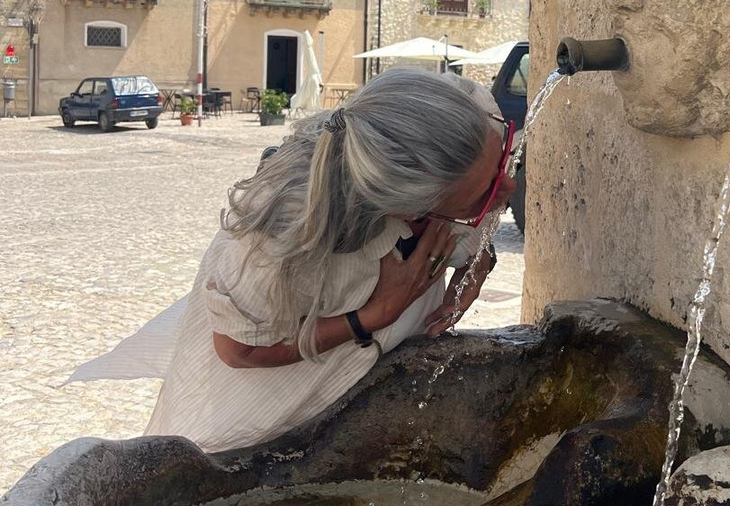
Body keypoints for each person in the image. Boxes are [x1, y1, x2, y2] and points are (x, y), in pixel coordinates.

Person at [69, 70, 516, 452]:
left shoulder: (462, 114)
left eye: (502, 158)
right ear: (406, 205)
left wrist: (477, 260)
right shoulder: (281, 234)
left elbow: (476, 202)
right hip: (261, 419)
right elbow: (237, 349)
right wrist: (374, 314)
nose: (508, 190)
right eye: (486, 196)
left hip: (369, 399)